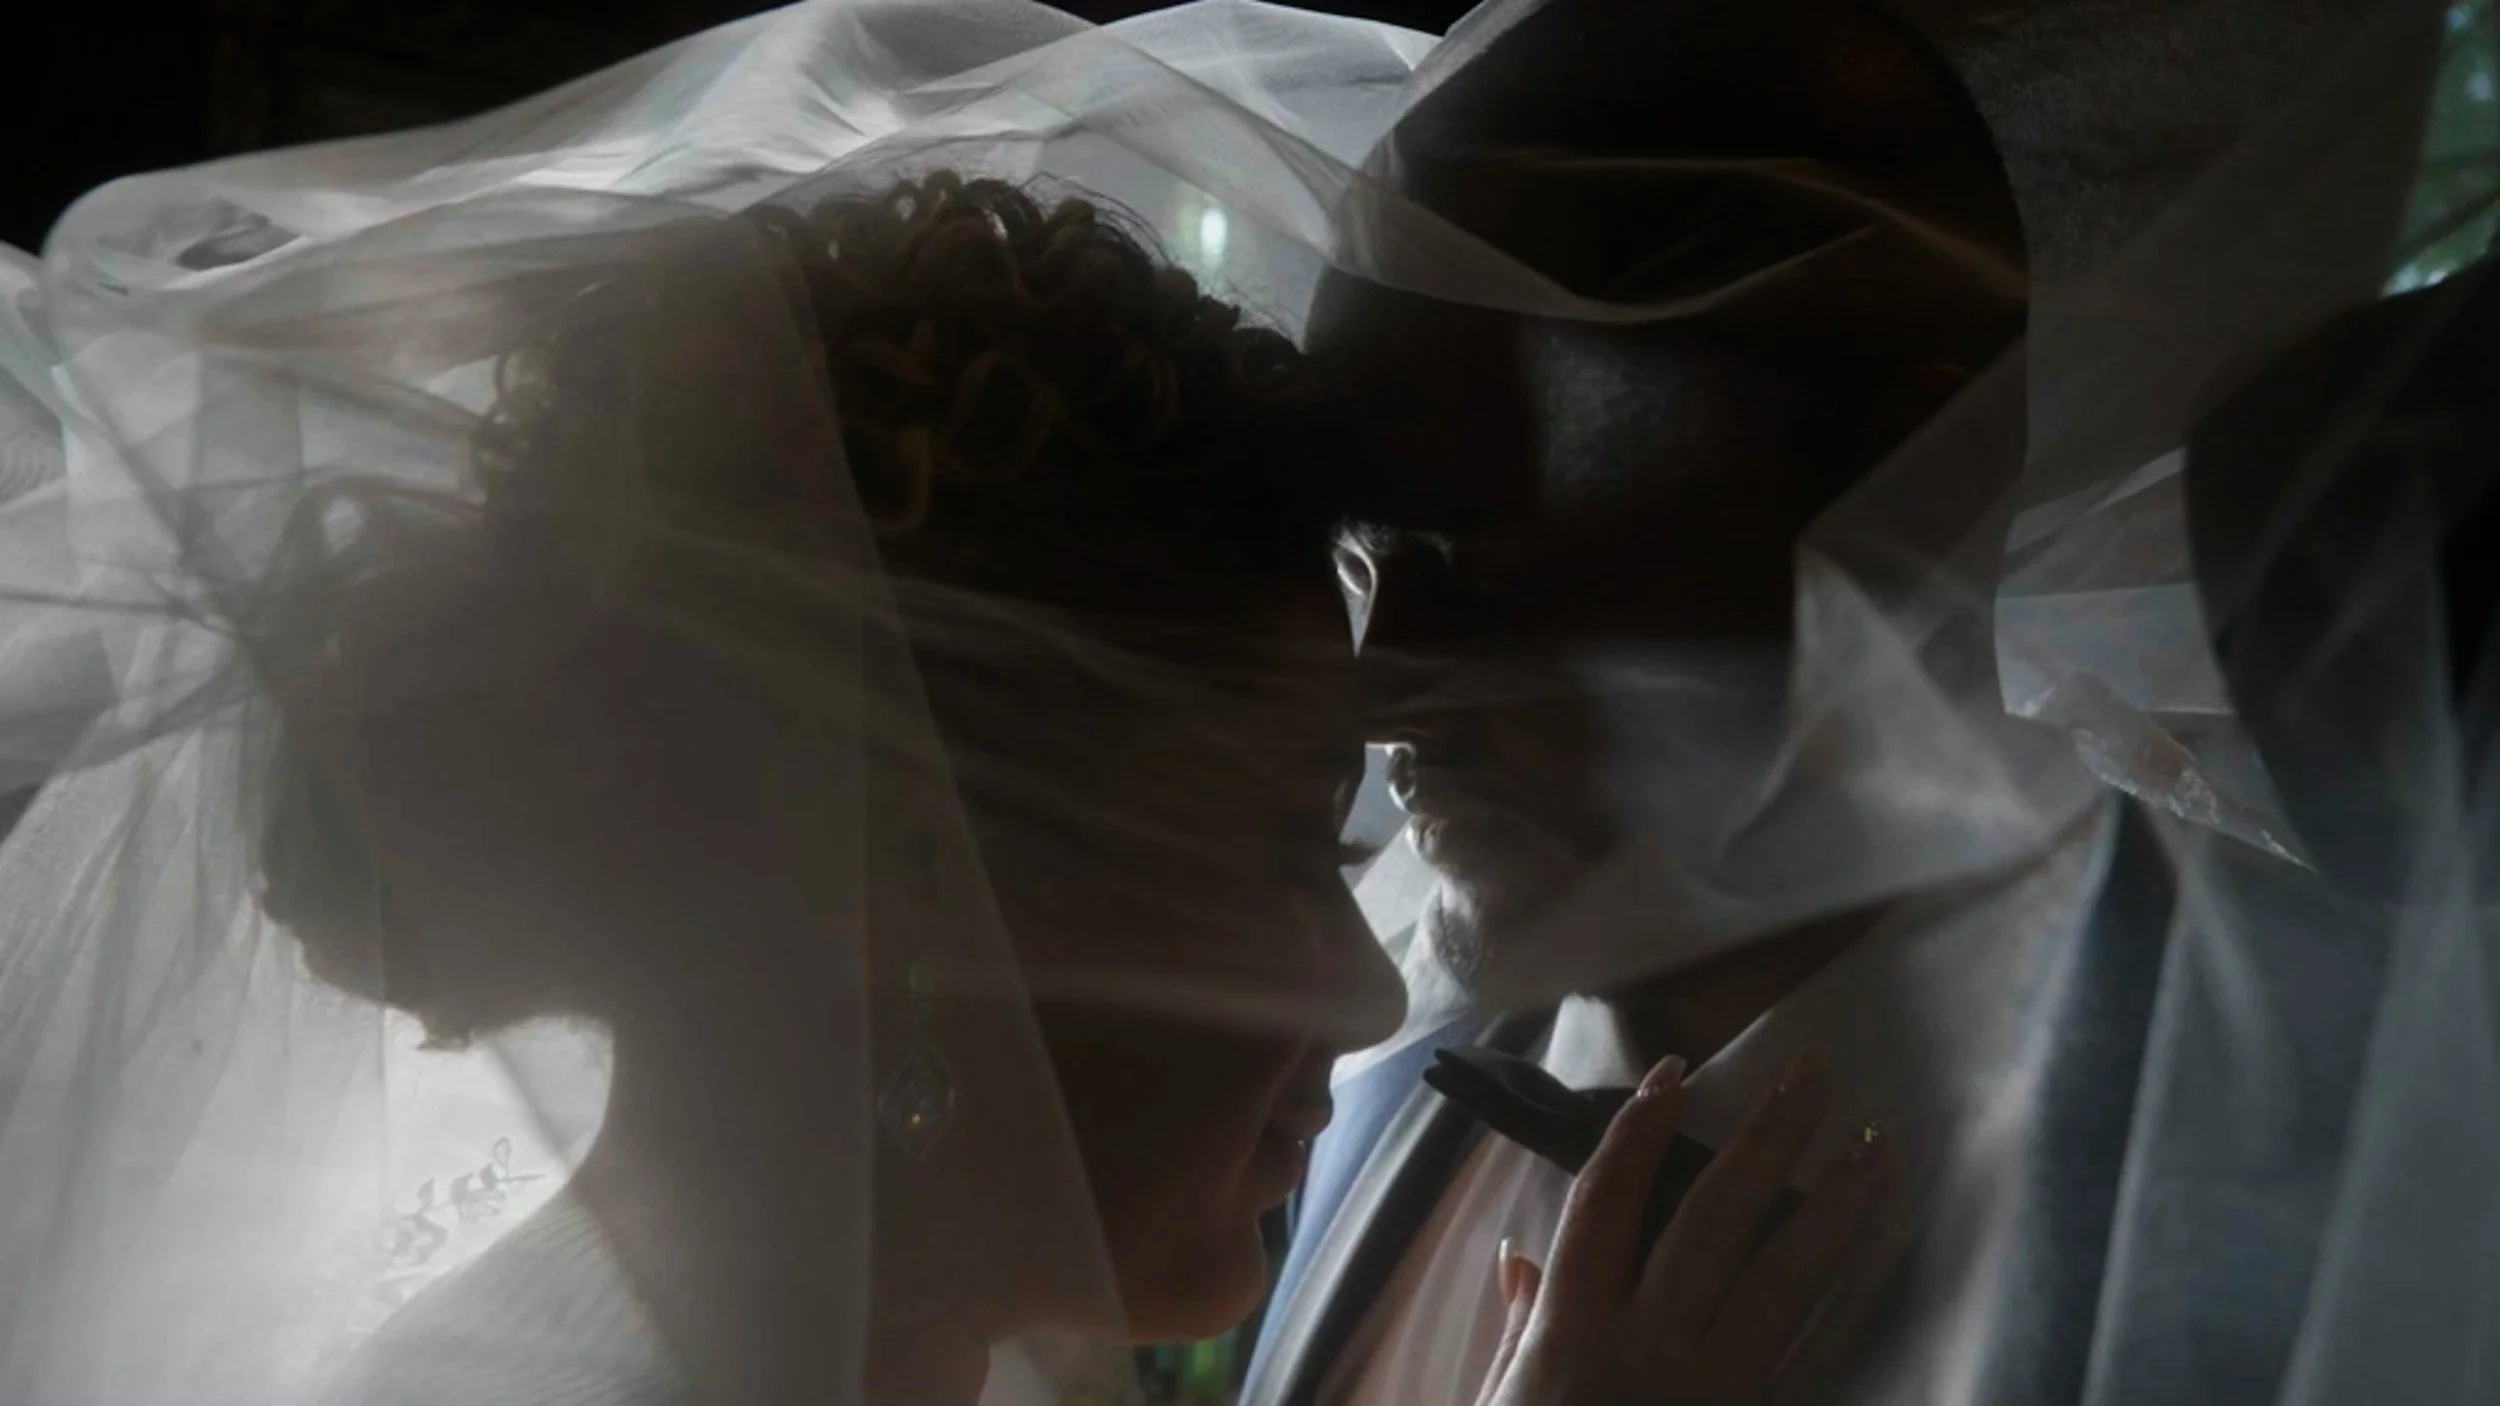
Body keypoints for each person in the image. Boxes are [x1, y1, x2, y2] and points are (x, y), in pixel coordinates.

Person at [1242, 1, 2432, 1405]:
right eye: (1363, 567)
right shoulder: (1365, 1071)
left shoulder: (2341, 1142)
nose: (1374, 685)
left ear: (1911, 499)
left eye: (1473, 563)